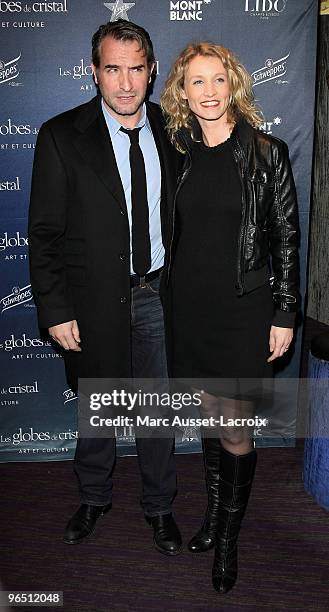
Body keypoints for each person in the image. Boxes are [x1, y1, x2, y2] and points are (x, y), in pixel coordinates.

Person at [28, 19, 182, 555]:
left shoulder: (173, 130)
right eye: (112, 69)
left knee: (157, 412)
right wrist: (55, 307)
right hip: (93, 301)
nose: (124, 83)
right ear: (94, 72)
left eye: (135, 69)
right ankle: (94, 498)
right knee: (96, 409)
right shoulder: (60, 135)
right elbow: (45, 234)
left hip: (160, 296)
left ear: (152, 70)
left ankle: (160, 506)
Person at [161, 42, 300, 592]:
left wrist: (286, 313)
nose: (210, 92)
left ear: (234, 84)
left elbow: (285, 238)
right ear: (182, 91)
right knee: (209, 421)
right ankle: (215, 517)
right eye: (197, 82)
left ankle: (229, 539)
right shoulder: (176, 150)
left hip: (245, 310)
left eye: (218, 80)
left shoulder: (268, 153)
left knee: (236, 428)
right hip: (190, 309)